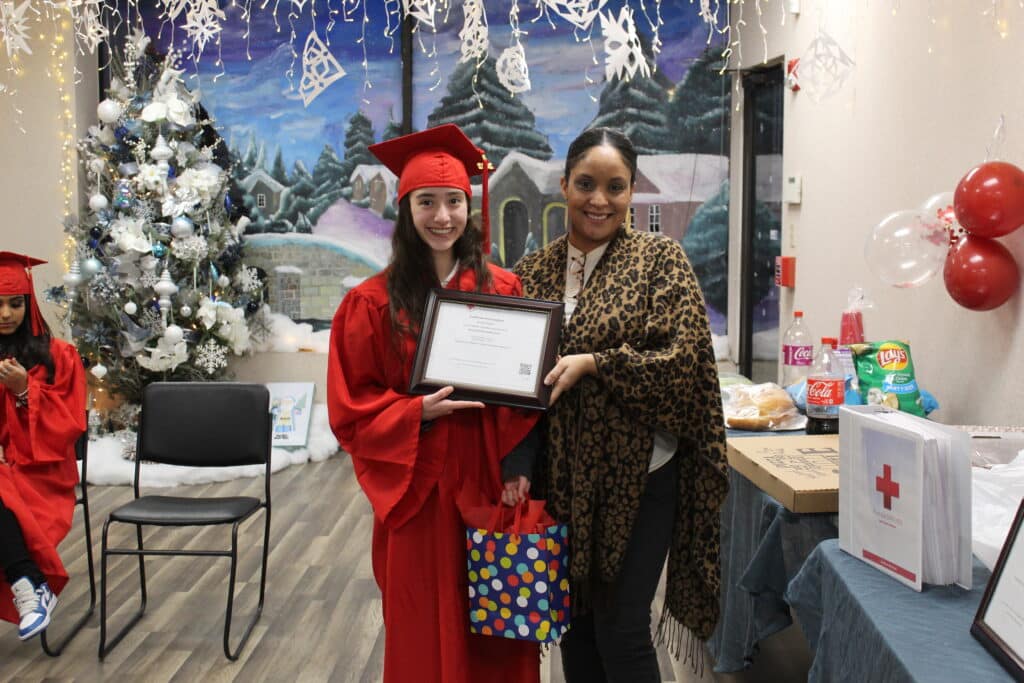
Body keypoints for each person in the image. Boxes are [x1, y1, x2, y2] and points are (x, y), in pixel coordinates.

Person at [513, 127, 730, 682]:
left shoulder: (661, 261)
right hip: (561, 480)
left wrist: (597, 363)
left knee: (623, 627)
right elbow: (516, 378)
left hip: (642, 477)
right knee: (576, 625)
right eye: (586, 184)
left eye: (615, 186)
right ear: (564, 184)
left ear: (632, 191)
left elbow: (686, 367)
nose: (599, 200)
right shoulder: (534, 270)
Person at [327, 124, 540, 683]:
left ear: (468, 207)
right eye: (427, 202)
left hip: (487, 472)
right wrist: (415, 411)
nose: (442, 216)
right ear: (406, 209)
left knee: (497, 621)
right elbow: (352, 407)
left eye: (453, 202)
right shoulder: (369, 303)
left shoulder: (503, 289)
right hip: (417, 479)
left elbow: (527, 391)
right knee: (423, 618)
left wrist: (519, 469)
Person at [0, 252, 86, 641]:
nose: (6, 314)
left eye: (15, 303)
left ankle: (29, 586)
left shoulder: (59, 357)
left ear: (29, 303)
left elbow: (69, 426)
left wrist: (23, 392)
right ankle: (29, 584)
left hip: (44, 473)